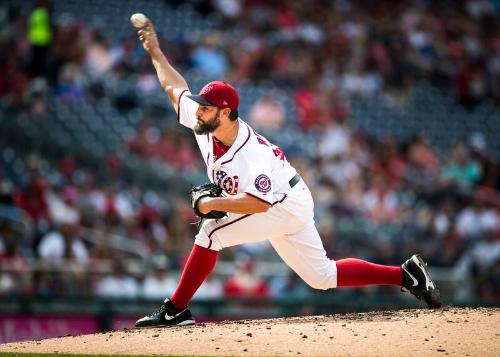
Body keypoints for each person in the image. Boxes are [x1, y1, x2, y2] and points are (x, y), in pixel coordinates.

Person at [134, 20, 442, 328]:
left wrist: (209, 206)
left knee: (211, 232)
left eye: (206, 108)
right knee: (322, 276)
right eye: (200, 106)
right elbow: (174, 88)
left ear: (226, 113)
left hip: (281, 203)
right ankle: (406, 275)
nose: (198, 111)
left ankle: (175, 310)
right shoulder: (207, 124)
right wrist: (156, 52)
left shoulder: (249, 153)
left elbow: (259, 204)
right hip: (291, 196)